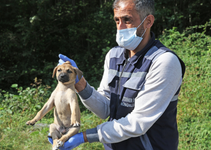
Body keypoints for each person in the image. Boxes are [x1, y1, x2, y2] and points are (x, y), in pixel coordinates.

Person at [49, 0, 185, 149]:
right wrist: (79, 83)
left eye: (127, 20)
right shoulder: (113, 55)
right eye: (117, 20)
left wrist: (84, 137)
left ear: (148, 21)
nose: (120, 27)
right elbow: (105, 109)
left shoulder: (164, 61)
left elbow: (138, 123)